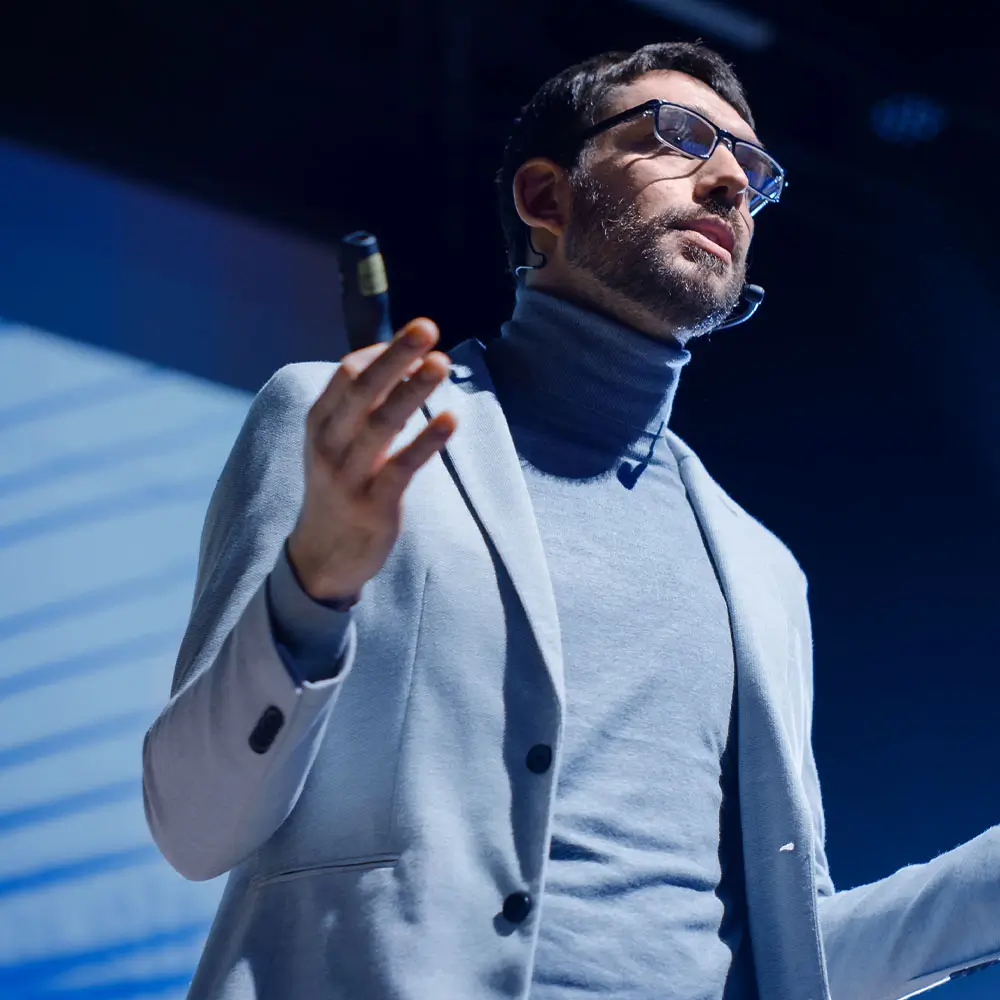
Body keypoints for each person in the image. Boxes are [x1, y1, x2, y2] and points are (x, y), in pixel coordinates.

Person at [142, 41, 1000, 1000]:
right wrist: (316, 583)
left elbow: (788, 959)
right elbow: (193, 822)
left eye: (753, 173)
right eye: (679, 138)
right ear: (545, 199)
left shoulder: (764, 572)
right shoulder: (342, 430)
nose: (727, 181)